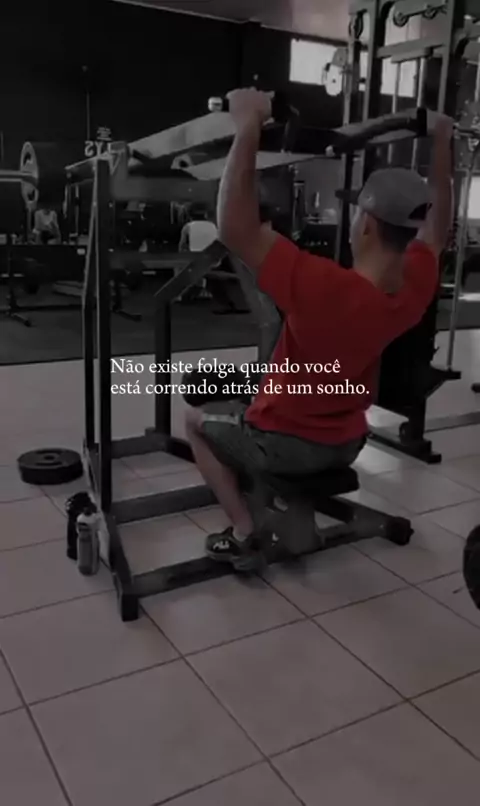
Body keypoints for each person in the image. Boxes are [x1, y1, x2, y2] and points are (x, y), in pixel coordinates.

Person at [185, 88, 453, 570]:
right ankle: (293, 517)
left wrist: (248, 123)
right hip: (347, 444)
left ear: (365, 224)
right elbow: (438, 232)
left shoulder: (322, 286)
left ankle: (243, 533)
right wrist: (442, 139)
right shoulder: (414, 287)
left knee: (193, 420)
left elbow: (233, 228)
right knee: (259, 399)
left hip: (287, 446)